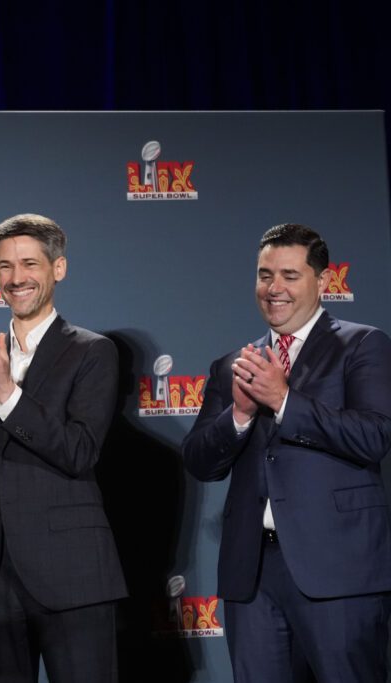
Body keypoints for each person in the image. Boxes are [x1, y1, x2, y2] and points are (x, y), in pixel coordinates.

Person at [182, 223, 391, 682]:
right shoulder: (233, 364)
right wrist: (237, 415)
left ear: (322, 280)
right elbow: (200, 461)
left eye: (290, 276)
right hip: (252, 573)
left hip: (337, 569)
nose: (274, 288)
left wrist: (283, 402)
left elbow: (374, 435)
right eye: (265, 274)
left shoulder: (362, 345)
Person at [0, 213, 126, 682]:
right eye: (4, 266)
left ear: (58, 269)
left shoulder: (92, 352)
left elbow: (79, 451)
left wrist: (7, 393)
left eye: (29, 264)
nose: (16, 278)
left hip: (72, 575)